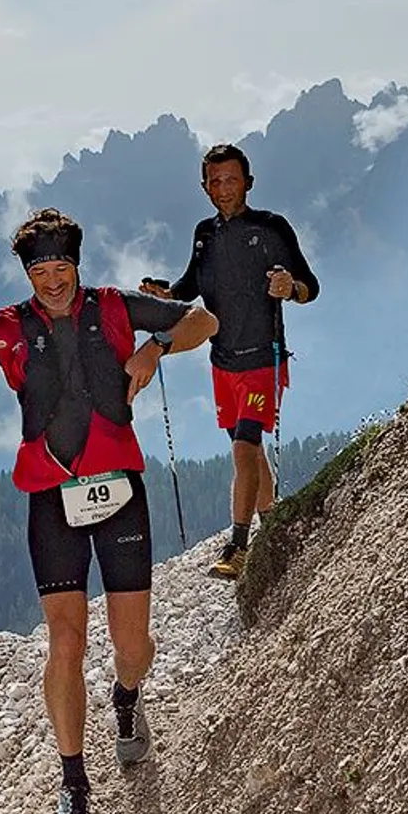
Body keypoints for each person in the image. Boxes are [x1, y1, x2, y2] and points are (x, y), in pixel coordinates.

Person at [0, 208, 216, 814]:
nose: (52, 280)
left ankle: (127, 694)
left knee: (133, 645)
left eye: (61, 267)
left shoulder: (112, 307)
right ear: (26, 273)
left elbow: (204, 319)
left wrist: (154, 345)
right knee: (65, 641)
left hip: (119, 492)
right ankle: (74, 784)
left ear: (76, 264)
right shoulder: (4, 328)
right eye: (39, 270)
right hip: (51, 498)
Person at [140, 143, 318, 580]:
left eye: (231, 180)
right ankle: (273, 526)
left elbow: (310, 286)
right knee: (251, 454)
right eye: (215, 181)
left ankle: (238, 547)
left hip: (263, 357)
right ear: (204, 187)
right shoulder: (204, 234)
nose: (223, 188)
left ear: (248, 183)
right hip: (222, 360)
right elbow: (190, 287)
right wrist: (165, 296)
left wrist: (288, 287)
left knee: (243, 447)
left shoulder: (272, 227)